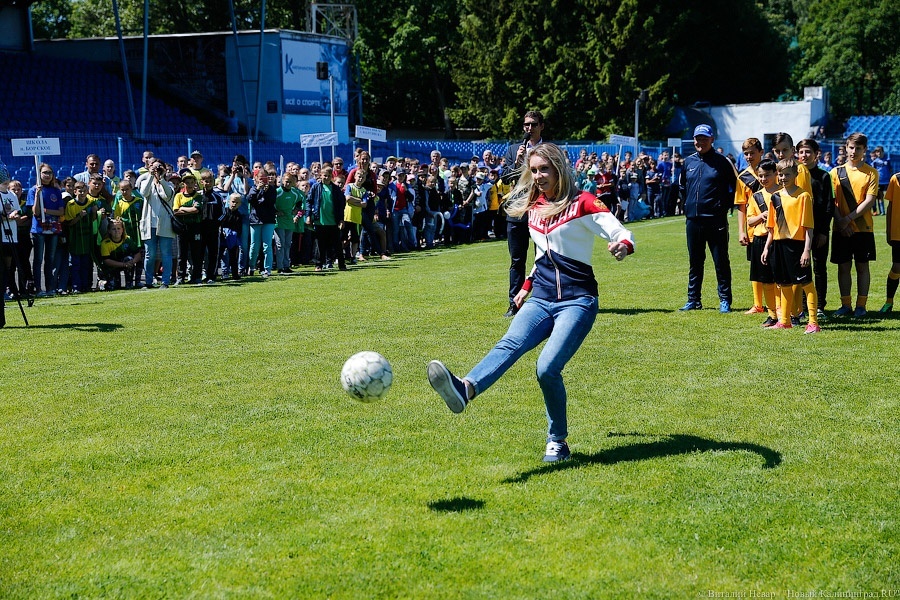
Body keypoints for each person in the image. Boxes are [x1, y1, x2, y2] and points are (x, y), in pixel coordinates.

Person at [426, 143, 634, 463]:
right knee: (508, 343)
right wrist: (526, 285)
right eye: (534, 170)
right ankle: (465, 389)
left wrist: (621, 245)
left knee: (547, 368)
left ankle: (557, 440)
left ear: (559, 169)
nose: (538, 176)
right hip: (541, 298)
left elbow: (619, 231)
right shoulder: (535, 207)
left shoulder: (583, 203)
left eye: (544, 169)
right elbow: (542, 255)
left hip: (578, 302)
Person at [679, 124, 738, 312]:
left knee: (721, 261)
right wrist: (687, 205)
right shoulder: (688, 162)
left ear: (712, 139)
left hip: (715, 220)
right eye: (697, 138)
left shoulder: (722, 162)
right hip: (693, 220)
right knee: (695, 262)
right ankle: (693, 299)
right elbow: (682, 188)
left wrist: (723, 206)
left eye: (704, 139)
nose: (700, 142)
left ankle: (725, 300)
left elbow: (734, 187)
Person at [760, 158, 820, 333]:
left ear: (796, 174)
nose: (783, 177)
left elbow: (809, 227)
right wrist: (766, 248)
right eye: (780, 174)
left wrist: (806, 250)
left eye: (787, 174)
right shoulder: (775, 197)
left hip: (798, 246)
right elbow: (771, 227)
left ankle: (813, 323)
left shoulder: (804, 196)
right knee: (783, 283)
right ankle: (784, 321)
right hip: (778, 246)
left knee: (806, 283)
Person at [502, 109, 546, 317]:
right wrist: (517, 161)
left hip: (541, 209)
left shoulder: (548, 149)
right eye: (526, 125)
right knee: (517, 260)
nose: (529, 128)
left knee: (544, 257)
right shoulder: (513, 150)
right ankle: (514, 303)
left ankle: (542, 299)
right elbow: (504, 177)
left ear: (541, 127)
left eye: (533, 124)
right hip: (517, 211)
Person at [830, 133, 879, 317]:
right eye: (851, 147)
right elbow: (831, 200)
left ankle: (861, 305)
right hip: (840, 228)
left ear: (864, 150)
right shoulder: (836, 172)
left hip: (862, 228)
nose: (854, 151)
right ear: (846, 147)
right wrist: (841, 222)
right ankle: (845, 305)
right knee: (843, 267)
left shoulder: (871, 172)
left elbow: (869, 201)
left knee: (862, 267)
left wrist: (847, 219)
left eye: (858, 148)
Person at [797, 138, 834, 321]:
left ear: (816, 154)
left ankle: (820, 306)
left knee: (819, 268)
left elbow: (828, 206)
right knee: (802, 268)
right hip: (799, 232)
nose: (804, 155)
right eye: (801, 152)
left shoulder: (824, 177)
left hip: (818, 231)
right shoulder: (793, 175)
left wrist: (823, 232)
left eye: (808, 152)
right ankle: (803, 306)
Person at [746, 159, 779, 327]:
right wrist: (761, 216)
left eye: (767, 175)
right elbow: (750, 221)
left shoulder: (783, 193)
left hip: (780, 240)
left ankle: (785, 313)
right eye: (760, 176)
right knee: (765, 280)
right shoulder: (756, 196)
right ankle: (772, 314)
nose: (763, 179)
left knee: (781, 279)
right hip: (760, 240)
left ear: (775, 174)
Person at [27, 163, 65, 297]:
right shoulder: (33, 190)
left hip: (53, 229)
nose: (47, 175)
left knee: (50, 258)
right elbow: (36, 212)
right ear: (39, 174)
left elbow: (61, 211)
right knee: (38, 260)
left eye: (49, 172)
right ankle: (38, 288)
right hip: (38, 229)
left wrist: (47, 211)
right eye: (44, 172)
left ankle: (50, 288)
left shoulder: (56, 191)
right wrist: (38, 195)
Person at [735, 138, 764, 312]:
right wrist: (741, 231)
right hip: (753, 229)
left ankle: (778, 303)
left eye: (752, 152)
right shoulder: (742, 177)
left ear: (761, 152)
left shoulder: (772, 171)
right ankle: (757, 303)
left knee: (774, 265)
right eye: (746, 153)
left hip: (773, 227)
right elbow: (741, 206)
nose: (749, 156)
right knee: (756, 267)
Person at [138, 158, 176, 289]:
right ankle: (148, 281)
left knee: (166, 253)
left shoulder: (169, 184)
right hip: (149, 224)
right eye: (154, 167)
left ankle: (165, 281)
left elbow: (168, 195)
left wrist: (161, 178)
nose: (157, 170)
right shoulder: (146, 182)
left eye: (159, 167)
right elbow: (144, 192)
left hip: (164, 224)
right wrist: (150, 174)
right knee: (150, 254)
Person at [306, 167, 346, 272]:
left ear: (331, 176)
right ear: (320, 175)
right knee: (320, 244)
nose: (326, 177)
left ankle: (342, 264)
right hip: (320, 221)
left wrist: (341, 219)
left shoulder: (336, 189)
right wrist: (308, 215)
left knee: (337, 244)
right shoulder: (316, 187)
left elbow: (341, 205)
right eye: (324, 175)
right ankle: (319, 264)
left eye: (328, 175)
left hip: (333, 221)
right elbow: (309, 201)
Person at [246, 167, 278, 278]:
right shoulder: (253, 188)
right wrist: (258, 190)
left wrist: (266, 191)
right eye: (260, 178)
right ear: (255, 178)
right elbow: (251, 200)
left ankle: (267, 269)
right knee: (254, 246)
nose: (263, 181)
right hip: (255, 220)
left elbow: (270, 202)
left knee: (267, 245)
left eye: (265, 178)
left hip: (268, 220)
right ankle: (251, 266)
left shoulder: (272, 189)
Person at [878, 169, 900, 312]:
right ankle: (888, 302)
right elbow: (890, 207)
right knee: (897, 267)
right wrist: (888, 230)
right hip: (898, 233)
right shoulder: (896, 178)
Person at [100, 219, 143, 290]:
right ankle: (102, 282)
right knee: (113, 287)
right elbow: (106, 261)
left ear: (122, 230)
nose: (116, 231)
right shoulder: (105, 243)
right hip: (112, 267)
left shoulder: (128, 239)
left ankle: (129, 283)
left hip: (126, 263)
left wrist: (132, 262)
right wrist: (123, 264)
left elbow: (138, 254)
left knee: (129, 258)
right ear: (109, 231)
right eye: (113, 229)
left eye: (118, 228)